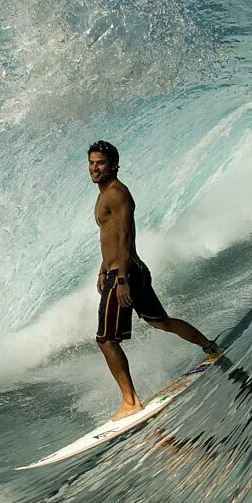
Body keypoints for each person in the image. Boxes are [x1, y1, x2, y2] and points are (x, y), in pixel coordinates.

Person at [87, 140, 218, 419]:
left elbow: (126, 237)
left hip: (125, 273)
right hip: (128, 270)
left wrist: (120, 279)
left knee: (106, 340)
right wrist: (102, 268)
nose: (94, 168)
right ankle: (210, 347)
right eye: (92, 163)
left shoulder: (117, 194)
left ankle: (130, 402)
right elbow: (110, 238)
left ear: (113, 165)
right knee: (161, 322)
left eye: (100, 163)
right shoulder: (103, 194)